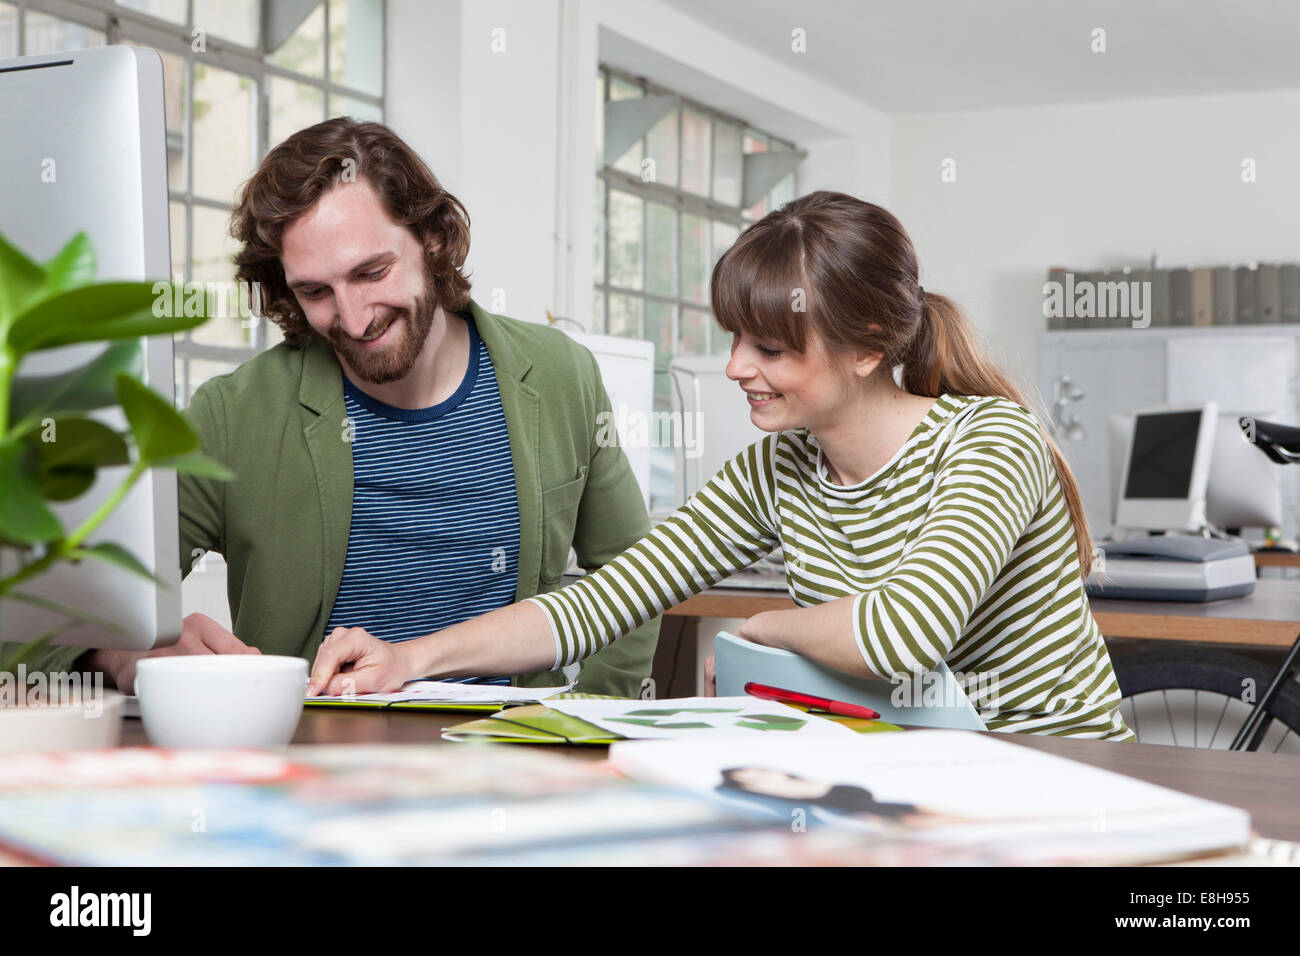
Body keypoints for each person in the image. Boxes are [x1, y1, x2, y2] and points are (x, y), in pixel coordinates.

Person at [306, 190, 1134, 741]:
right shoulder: (778, 470)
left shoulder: (989, 441)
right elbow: (603, 600)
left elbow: (901, 633)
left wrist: (763, 630)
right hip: (919, 779)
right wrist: (410, 659)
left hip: (1068, 777)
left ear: (869, 350)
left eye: (769, 347)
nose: (736, 367)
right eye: (735, 338)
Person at [48, 118, 659, 697]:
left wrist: (591, 723)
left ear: (434, 239)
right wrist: (118, 653)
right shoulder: (233, 415)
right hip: (309, 772)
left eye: (372, 272)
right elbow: (47, 604)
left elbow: (636, 579)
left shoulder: (559, 375)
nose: (354, 318)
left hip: (514, 762)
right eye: (315, 291)